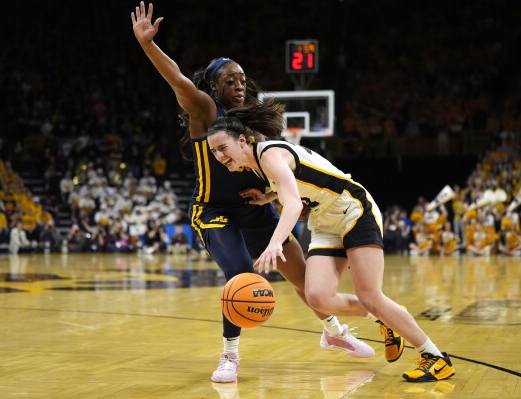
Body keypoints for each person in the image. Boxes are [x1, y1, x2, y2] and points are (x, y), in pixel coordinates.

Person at [131, 2, 391, 384]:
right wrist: (148, 45)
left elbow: (279, 171)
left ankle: (335, 333)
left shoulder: (252, 121)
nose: (239, 85)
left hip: (254, 207)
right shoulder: (205, 110)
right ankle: (230, 355)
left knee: (304, 279)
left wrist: (283, 200)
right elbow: (179, 81)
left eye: (242, 79)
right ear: (214, 87)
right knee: (239, 274)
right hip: (213, 209)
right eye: (230, 80)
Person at [206, 103, 456, 382]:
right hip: (325, 221)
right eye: (213, 151)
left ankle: (435, 357)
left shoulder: (270, 155)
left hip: (352, 210)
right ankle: (386, 317)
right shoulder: (258, 166)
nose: (218, 156)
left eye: (222, 148)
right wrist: (267, 197)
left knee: (370, 296)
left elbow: (291, 205)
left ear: (242, 140)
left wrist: (275, 243)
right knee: (318, 297)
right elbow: (299, 188)